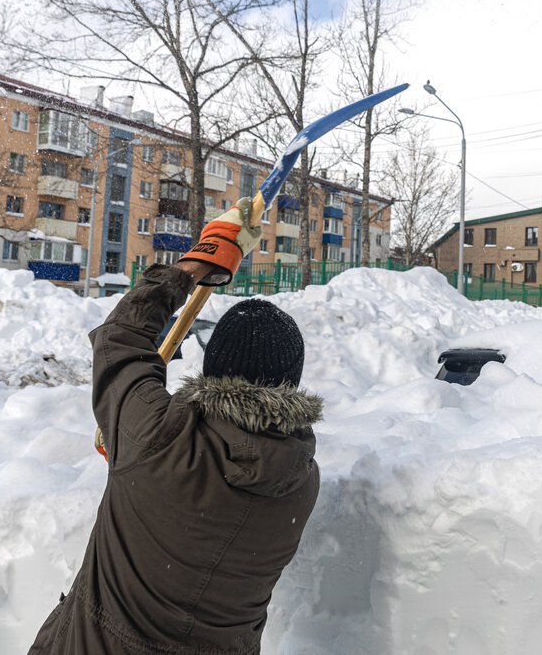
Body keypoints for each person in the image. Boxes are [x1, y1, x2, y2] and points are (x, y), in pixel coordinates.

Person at [30, 197, 323, 654]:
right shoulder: (299, 478)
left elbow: (120, 338)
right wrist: (129, 441)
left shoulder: (158, 437)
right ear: (292, 382)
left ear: (213, 368)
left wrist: (197, 263)